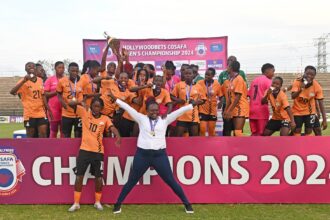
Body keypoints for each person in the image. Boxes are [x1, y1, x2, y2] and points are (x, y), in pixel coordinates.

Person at [108, 93, 194, 214]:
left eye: (156, 110)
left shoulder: (165, 119)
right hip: (142, 155)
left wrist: (191, 105)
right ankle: (118, 204)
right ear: (147, 111)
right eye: (151, 110)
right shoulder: (141, 118)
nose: (154, 112)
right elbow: (128, 108)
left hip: (160, 156)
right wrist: (116, 100)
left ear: (159, 110)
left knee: (171, 180)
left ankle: (187, 204)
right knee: (132, 180)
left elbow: (179, 112)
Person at [10, 62, 52, 138]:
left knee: (43, 134)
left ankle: (42, 150)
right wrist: (23, 81)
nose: (31, 67)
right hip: (29, 113)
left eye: (33, 66)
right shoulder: (22, 81)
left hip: (41, 112)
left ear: (35, 68)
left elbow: (43, 95)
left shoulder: (40, 80)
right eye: (29, 66)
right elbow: (12, 92)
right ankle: (32, 150)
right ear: (26, 69)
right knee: (31, 136)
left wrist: (48, 109)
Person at [291, 65, 327, 136]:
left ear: (314, 76)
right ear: (304, 73)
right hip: (297, 111)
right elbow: (293, 96)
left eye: (312, 75)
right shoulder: (297, 82)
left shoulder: (317, 86)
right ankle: (295, 143)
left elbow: (321, 103)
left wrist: (324, 119)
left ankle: (310, 145)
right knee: (297, 130)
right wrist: (300, 90)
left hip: (310, 112)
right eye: (307, 74)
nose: (309, 76)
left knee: (309, 131)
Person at [171, 66, 206, 136]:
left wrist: (196, 103)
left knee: (194, 139)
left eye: (190, 73)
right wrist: (178, 100)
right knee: (179, 137)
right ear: (183, 75)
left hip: (193, 116)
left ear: (193, 75)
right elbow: (171, 96)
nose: (188, 75)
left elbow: (203, 100)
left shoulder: (198, 86)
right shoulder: (179, 85)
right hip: (182, 115)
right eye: (186, 74)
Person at [218, 56, 247, 136]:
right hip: (233, 108)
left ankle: (242, 148)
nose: (226, 67)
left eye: (228, 65)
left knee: (237, 132)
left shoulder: (239, 79)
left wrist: (229, 111)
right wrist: (226, 110)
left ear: (231, 67)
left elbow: (237, 97)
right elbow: (229, 99)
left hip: (240, 108)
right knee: (232, 131)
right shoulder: (230, 80)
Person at [57, 62, 83, 138]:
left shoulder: (81, 82)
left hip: (78, 114)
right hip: (66, 114)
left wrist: (79, 103)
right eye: (72, 71)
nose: (75, 73)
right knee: (66, 135)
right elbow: (58, 94)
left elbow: (81, 96)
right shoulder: (62, 81)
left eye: (76, 71)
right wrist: (63, 103)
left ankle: (77, 150)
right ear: (68, 70)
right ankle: (66, 150)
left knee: (78, 135)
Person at [248, 63, 274, 136]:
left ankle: (250, 147)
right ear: (267, 71)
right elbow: (272, 95)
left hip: (252, 110)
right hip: (261, 111)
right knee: (262, 134)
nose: (273, 74)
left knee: (254, 133)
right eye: (273, 71)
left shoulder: (254, 81)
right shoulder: (268, 81)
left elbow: (249, 95)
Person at [197, 68, 223, 136]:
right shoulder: (199, 83)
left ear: (213, 75)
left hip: (212, 111)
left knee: (211, 130)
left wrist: (220, 103)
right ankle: (202, 145)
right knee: (202, 129)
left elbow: (221, 96)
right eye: (206, 74)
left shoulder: (217, 84)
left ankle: (211, 146)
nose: (206, 76)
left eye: (208, 75)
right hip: (202, 110)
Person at [44, 61, 64, 138]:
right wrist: (57, 92)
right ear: (55, 68)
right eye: (59, 67)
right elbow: (46, 94)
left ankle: (63, 149)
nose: (61, 69)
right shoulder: (50, 80)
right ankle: (51, 149)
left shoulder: (66, 79)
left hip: (64, 109)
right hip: (53, 109)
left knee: (63, 131)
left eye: (62, 68)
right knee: (53, 131)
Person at [163, 61, 181, 136]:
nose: (170, 71)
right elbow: (162, 88)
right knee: (164, 128)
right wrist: (164, 74)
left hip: (175, 106)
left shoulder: (177, 78)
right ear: (165, 69)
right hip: (164, 106)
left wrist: (175, 102)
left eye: (171, 69)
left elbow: (180, 92)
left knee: (173, 129)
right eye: (168, 69)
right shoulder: (161, 79)